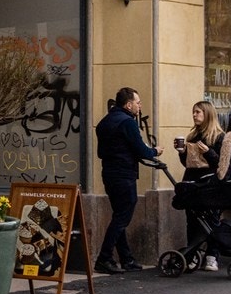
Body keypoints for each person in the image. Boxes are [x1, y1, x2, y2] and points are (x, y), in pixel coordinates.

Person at [94, 87, 161, 274]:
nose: (140, 107)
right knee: (122, 217)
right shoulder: (128, 123)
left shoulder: (104, 122)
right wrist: (155, 151)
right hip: (124, 175)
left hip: (108, 173)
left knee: (119, 217)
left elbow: (101, 152)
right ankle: (104, 258)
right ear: (128, 104)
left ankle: (126, 258)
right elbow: (141, 150)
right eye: (138, 103)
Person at [177, 100, 224, 271]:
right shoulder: (192, 136)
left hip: (211, 184)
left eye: (198, 112)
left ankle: (212, 256)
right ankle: (192, 255)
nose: (194, 115)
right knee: (192, 220)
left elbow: (222, 163)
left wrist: (208, 152)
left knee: (212, 221)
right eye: (194, 112)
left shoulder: (219, 136)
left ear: (207, 114)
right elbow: (188, 163)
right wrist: (182, 153)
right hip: (192, 182)